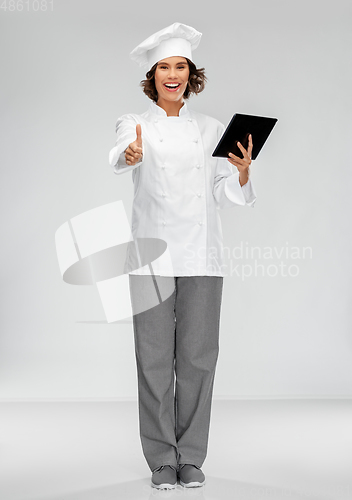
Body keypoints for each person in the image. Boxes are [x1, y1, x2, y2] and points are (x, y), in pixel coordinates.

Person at [108, 22, 256, 490]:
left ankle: (190, 455)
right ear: (151, 77)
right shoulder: (133, 123)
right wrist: (130, 154)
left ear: (191, 74)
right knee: (153, 360)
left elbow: (226, 192)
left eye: (181, 66)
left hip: (203, 256)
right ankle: (160, 460)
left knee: (198, 358)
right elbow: (119, 155)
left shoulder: (212, 129)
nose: (173, 74)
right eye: (164, 67)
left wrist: (242, 173)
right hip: (151, 258)